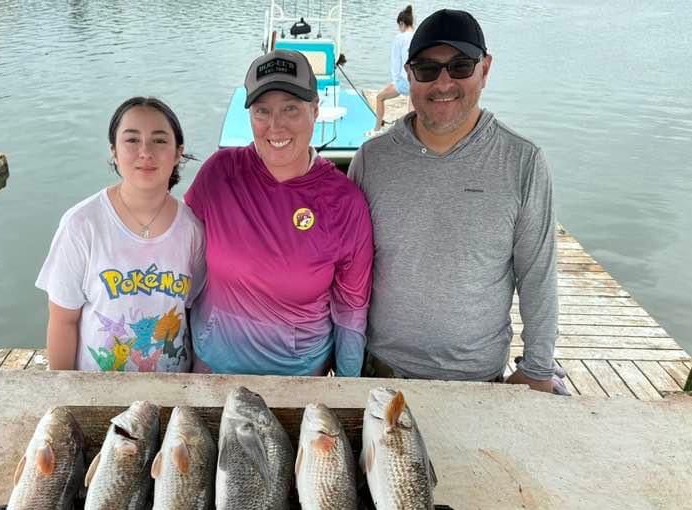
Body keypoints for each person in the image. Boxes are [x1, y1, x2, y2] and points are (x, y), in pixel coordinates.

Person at [349, 9, 560, 392]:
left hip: (478, 379)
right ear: (409, 74)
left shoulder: (523, 161)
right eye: (427, 69)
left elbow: (538, 275)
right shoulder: (372, 159)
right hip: (380, 372)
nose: (443, 82)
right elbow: (346, 267)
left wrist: (539, 367)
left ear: (485, 68)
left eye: (460, 66)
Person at [185, 49, 373, 376]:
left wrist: (347, 390)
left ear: (315, 110)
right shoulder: (219, 174)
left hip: (298, 379)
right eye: (262, 111)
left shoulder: (345, 202)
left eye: (291, 109)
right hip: (212, 369)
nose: (276, 126)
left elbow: (351, 309)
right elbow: (179, 252)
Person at [36, 97, 205, 372]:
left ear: (177, 153)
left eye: (159, 140)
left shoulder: (192, 229)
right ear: (114, 151)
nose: (145, 152)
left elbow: (196, 313)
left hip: (175, 389)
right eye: (132, 140)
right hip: (98, 391)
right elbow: (63, 320)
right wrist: (65, 394)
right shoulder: (82, 225)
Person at [371, 5, 414, 134]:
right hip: (415, 79)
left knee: (380, 97)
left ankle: (377, 129)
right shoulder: (416, 36)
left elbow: (398, 61)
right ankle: (412, 134)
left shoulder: (400, 37)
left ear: (402, 23)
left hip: (403, 80)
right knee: (411, 108)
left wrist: (398, 81)